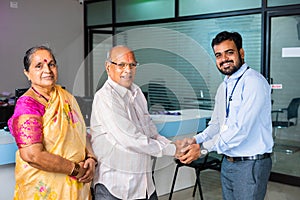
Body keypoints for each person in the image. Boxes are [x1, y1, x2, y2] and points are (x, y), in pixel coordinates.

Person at [178, 31, 274, 200]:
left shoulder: (254, 82)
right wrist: (196, 140)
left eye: (229, 52)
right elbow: (216, 124)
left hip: (250, 164)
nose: (224, 59)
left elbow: (241, 129)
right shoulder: (225, 86)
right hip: (228, 162)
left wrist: (203, 149)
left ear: (241, 53)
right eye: (218, 55)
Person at [90, 45, 183, 200]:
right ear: (108, 67)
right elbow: (131, 139)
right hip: (115, 188)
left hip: (144, 184)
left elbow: (151, 132)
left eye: (132, 65)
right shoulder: (105, 98)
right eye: (121, 65)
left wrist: (175, 147)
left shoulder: (137, 93)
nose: (128, 70)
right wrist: (172, 150)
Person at [8, 46, 97, 199]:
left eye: (51, 64)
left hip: (77, 187)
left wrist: (91, 158)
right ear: (27, 73)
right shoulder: (28, 105)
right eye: (39, 66)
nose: (47, 70)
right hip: (46, 188)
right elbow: (32, 156)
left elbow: (79, 132)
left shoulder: (65, 97)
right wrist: (75, 170)